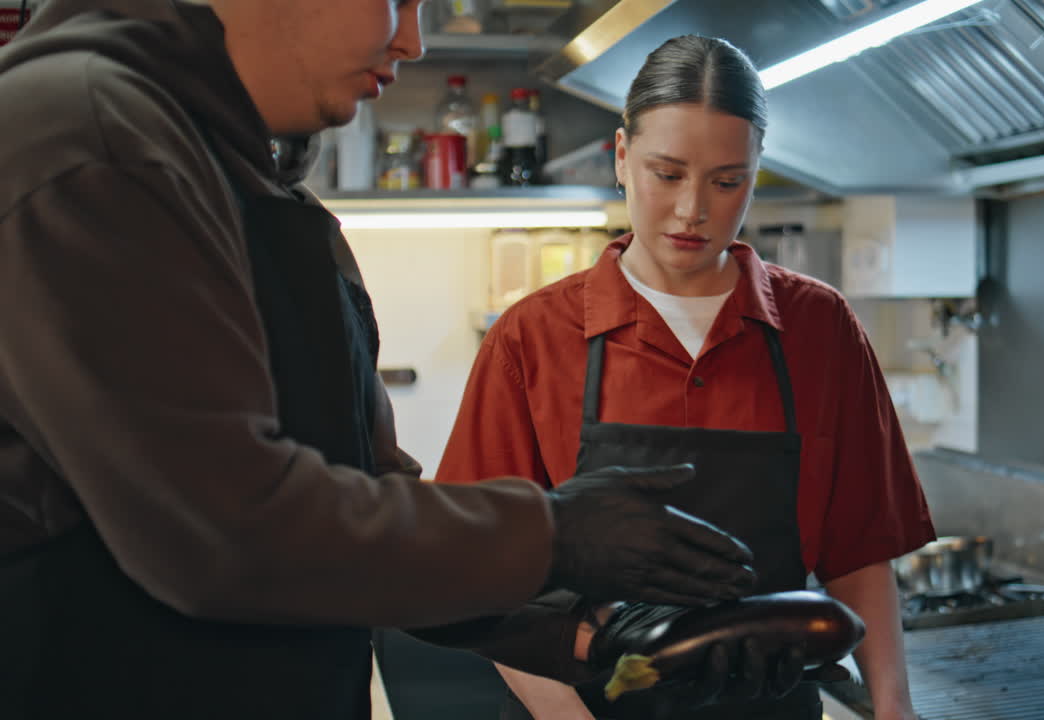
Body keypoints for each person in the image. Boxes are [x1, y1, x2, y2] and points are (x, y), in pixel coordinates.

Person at [0, 3, 764, 719]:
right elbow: (224, 533)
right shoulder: (91, 145)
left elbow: (364, 506)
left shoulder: (266, 198)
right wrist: (553, 536)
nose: (413, 41)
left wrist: (599, 637)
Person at [436, 34, 937, 720]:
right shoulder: (532, 337)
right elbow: (481, 572)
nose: (692, 210)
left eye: (727, 182)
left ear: (756, 172)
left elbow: (861, 551)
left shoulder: (822, 329)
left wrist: (894, 709)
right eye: (666, 174)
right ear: (621, 156)